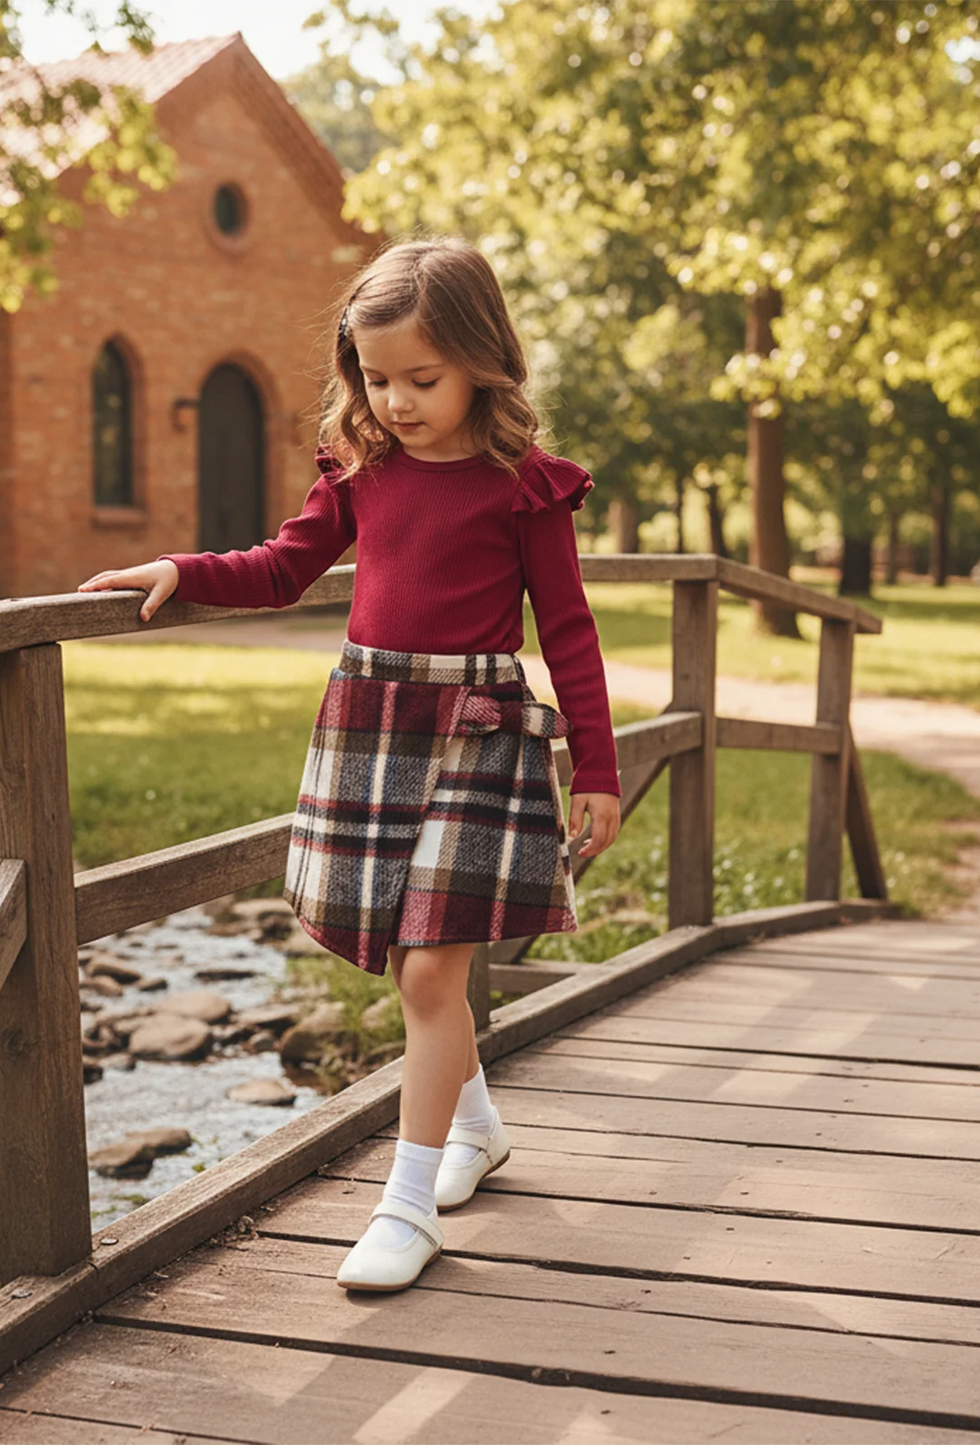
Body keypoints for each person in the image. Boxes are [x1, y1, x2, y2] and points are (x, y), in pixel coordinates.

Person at [78, 235, 621, 1293]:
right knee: (397, 952)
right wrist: (179, 568)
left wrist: (595, 768)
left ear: (481, 360)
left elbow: (569, 630)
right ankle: (474, 1128)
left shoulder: (523, 487)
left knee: (429, 966)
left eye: (422, 379)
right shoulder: (361, 469)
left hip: (478, 730)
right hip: (372, 725)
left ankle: (405, 1205)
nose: (399, 400)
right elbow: (282, 567)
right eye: (377, 379)